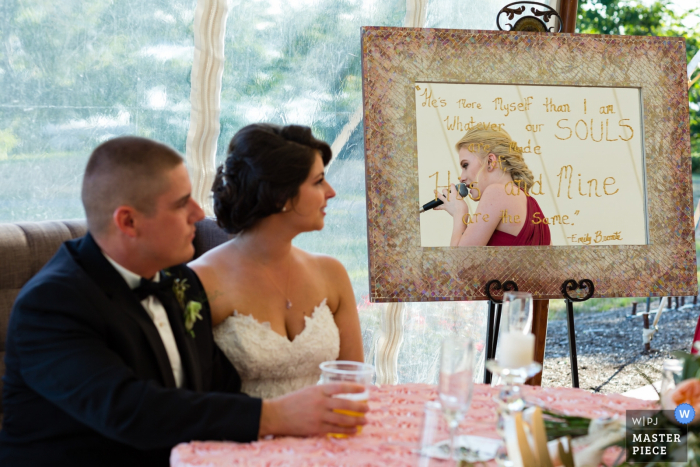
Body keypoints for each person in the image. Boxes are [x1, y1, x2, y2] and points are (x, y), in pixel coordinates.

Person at [0, 136, 368, 467]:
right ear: (128, 222)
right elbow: (128, 410)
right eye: (181, 204)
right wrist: (273, 416)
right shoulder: (51, 304)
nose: (198, 212)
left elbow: (219, 384)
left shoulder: (177, 281)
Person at [189, 124, 364, 399]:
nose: (331, 192)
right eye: (318, 181)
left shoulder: (332, 273)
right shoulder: (200, 281)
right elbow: (188, 398)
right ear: (281, 195)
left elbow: (352, 382)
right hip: (233, 436)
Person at [434, 127, 551, 246]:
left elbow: (460, 261)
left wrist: (459, 213)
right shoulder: (534, 209)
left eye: (465, 165)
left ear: (490, 161)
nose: (462, 177)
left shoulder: (497, 192)